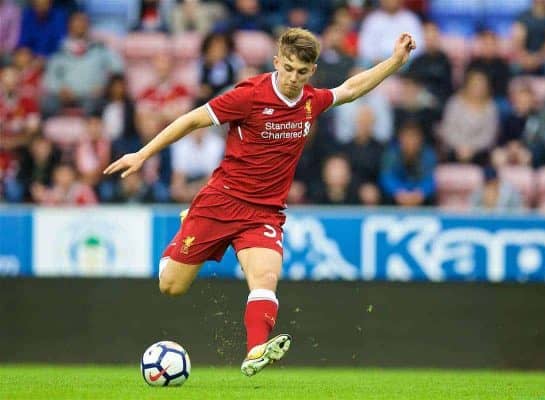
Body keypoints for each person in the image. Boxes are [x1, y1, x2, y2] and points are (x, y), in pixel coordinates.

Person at [104, 28, 416, 376]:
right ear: (276, 62)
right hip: (220, 201)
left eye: (301, 72)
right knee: (171, 286)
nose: (293, 79)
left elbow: (351, 89)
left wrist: (394, 61)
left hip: (264, 212)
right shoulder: (249, 95)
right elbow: (192, 119)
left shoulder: (311, 100)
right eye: (288, 69)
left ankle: (255, 351)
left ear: (312, 71)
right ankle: (185, 227)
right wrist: (143, 154)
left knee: (266, 277)